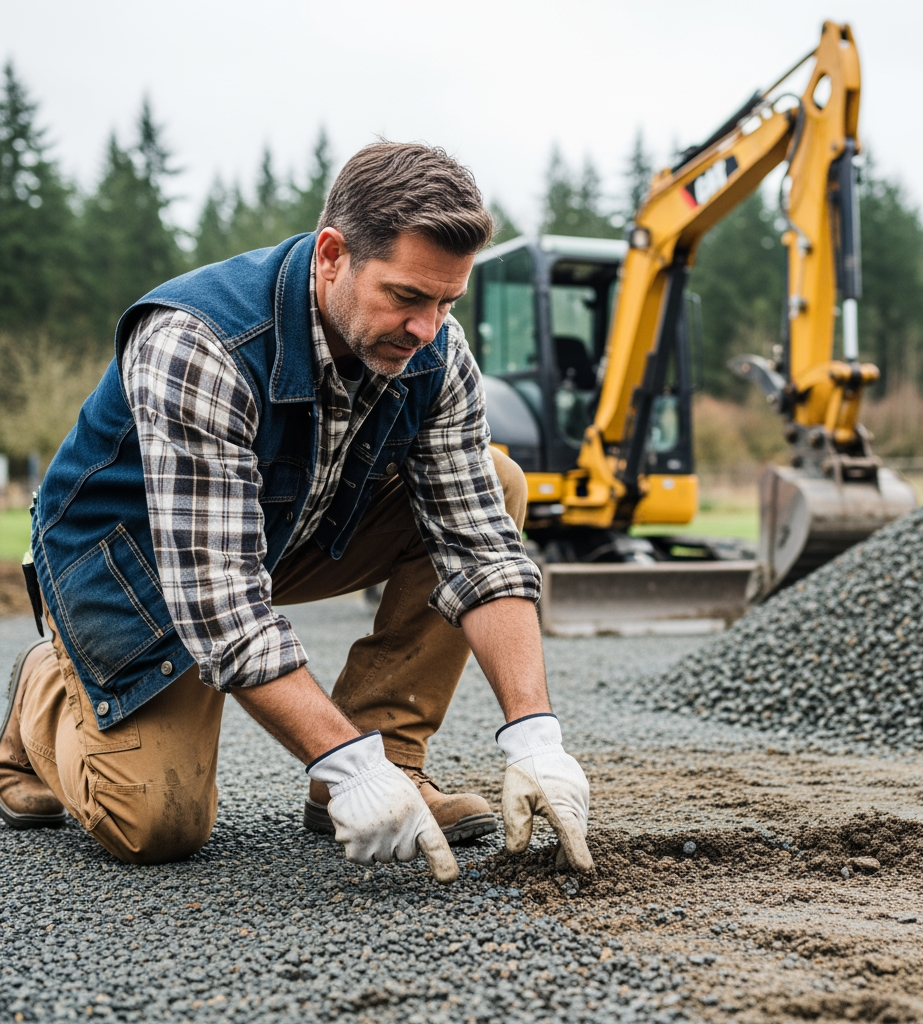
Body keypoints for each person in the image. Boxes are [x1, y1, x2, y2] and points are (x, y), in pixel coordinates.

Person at [0, 142, 593, 881]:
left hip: (275, 531)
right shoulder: (201, 344)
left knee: (496, 482)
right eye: (407, 296)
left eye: (447, 301)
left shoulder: (436, 352)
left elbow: (479, 544)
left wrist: (536, 738)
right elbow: (220, 602)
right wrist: (348, 765)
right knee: (155, 824)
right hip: (131, 562)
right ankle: (44, 696)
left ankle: (392, 758)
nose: (428, 328)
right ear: (332, 256)